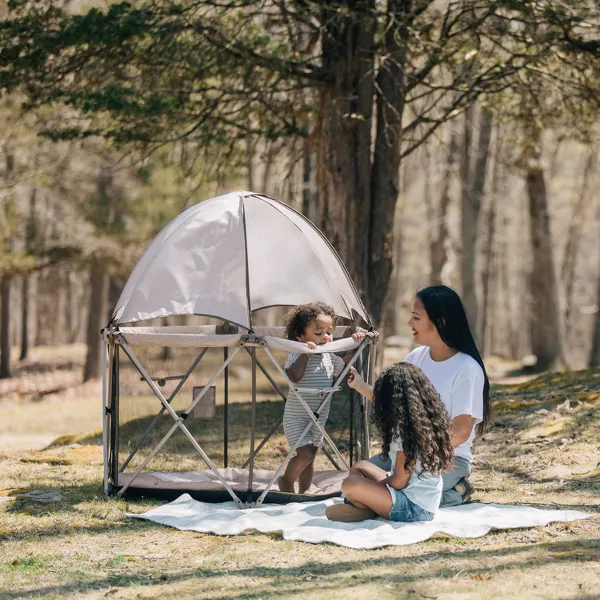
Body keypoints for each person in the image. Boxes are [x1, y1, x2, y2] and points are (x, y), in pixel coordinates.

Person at [351, 285, 490, 507]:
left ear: (441, 322)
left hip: (447, 459)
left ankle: (456, 492)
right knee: (358, 477)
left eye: (416, 317)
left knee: (396, 491)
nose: (409, 323)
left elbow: (461, 431)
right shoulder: (416, 357)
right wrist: (358, 384)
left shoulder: (467, 368)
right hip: (404, 454)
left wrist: (417, 457)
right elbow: (393, 402)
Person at [325, 362, 454, 522]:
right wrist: (359, 385)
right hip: (417, 498)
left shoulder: (405, 432)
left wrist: (373, 487)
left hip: (414, 507)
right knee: (360, 467)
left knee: (350, 484)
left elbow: (399, 481)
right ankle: (369, 507)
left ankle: (366, 507)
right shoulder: (423, 419)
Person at [278, 302, 364, 494]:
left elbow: (344, 369)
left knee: (310, 457)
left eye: (329, 332)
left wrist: (354, 345)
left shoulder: (329, 357)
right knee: (305, 454)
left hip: (318, 416)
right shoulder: (296, 354)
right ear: (300, 336)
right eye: (318, 332)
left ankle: (304, 492)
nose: (325, 337)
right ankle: (286, 481)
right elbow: (294, 377)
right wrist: (305, 355)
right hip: (297, 417)